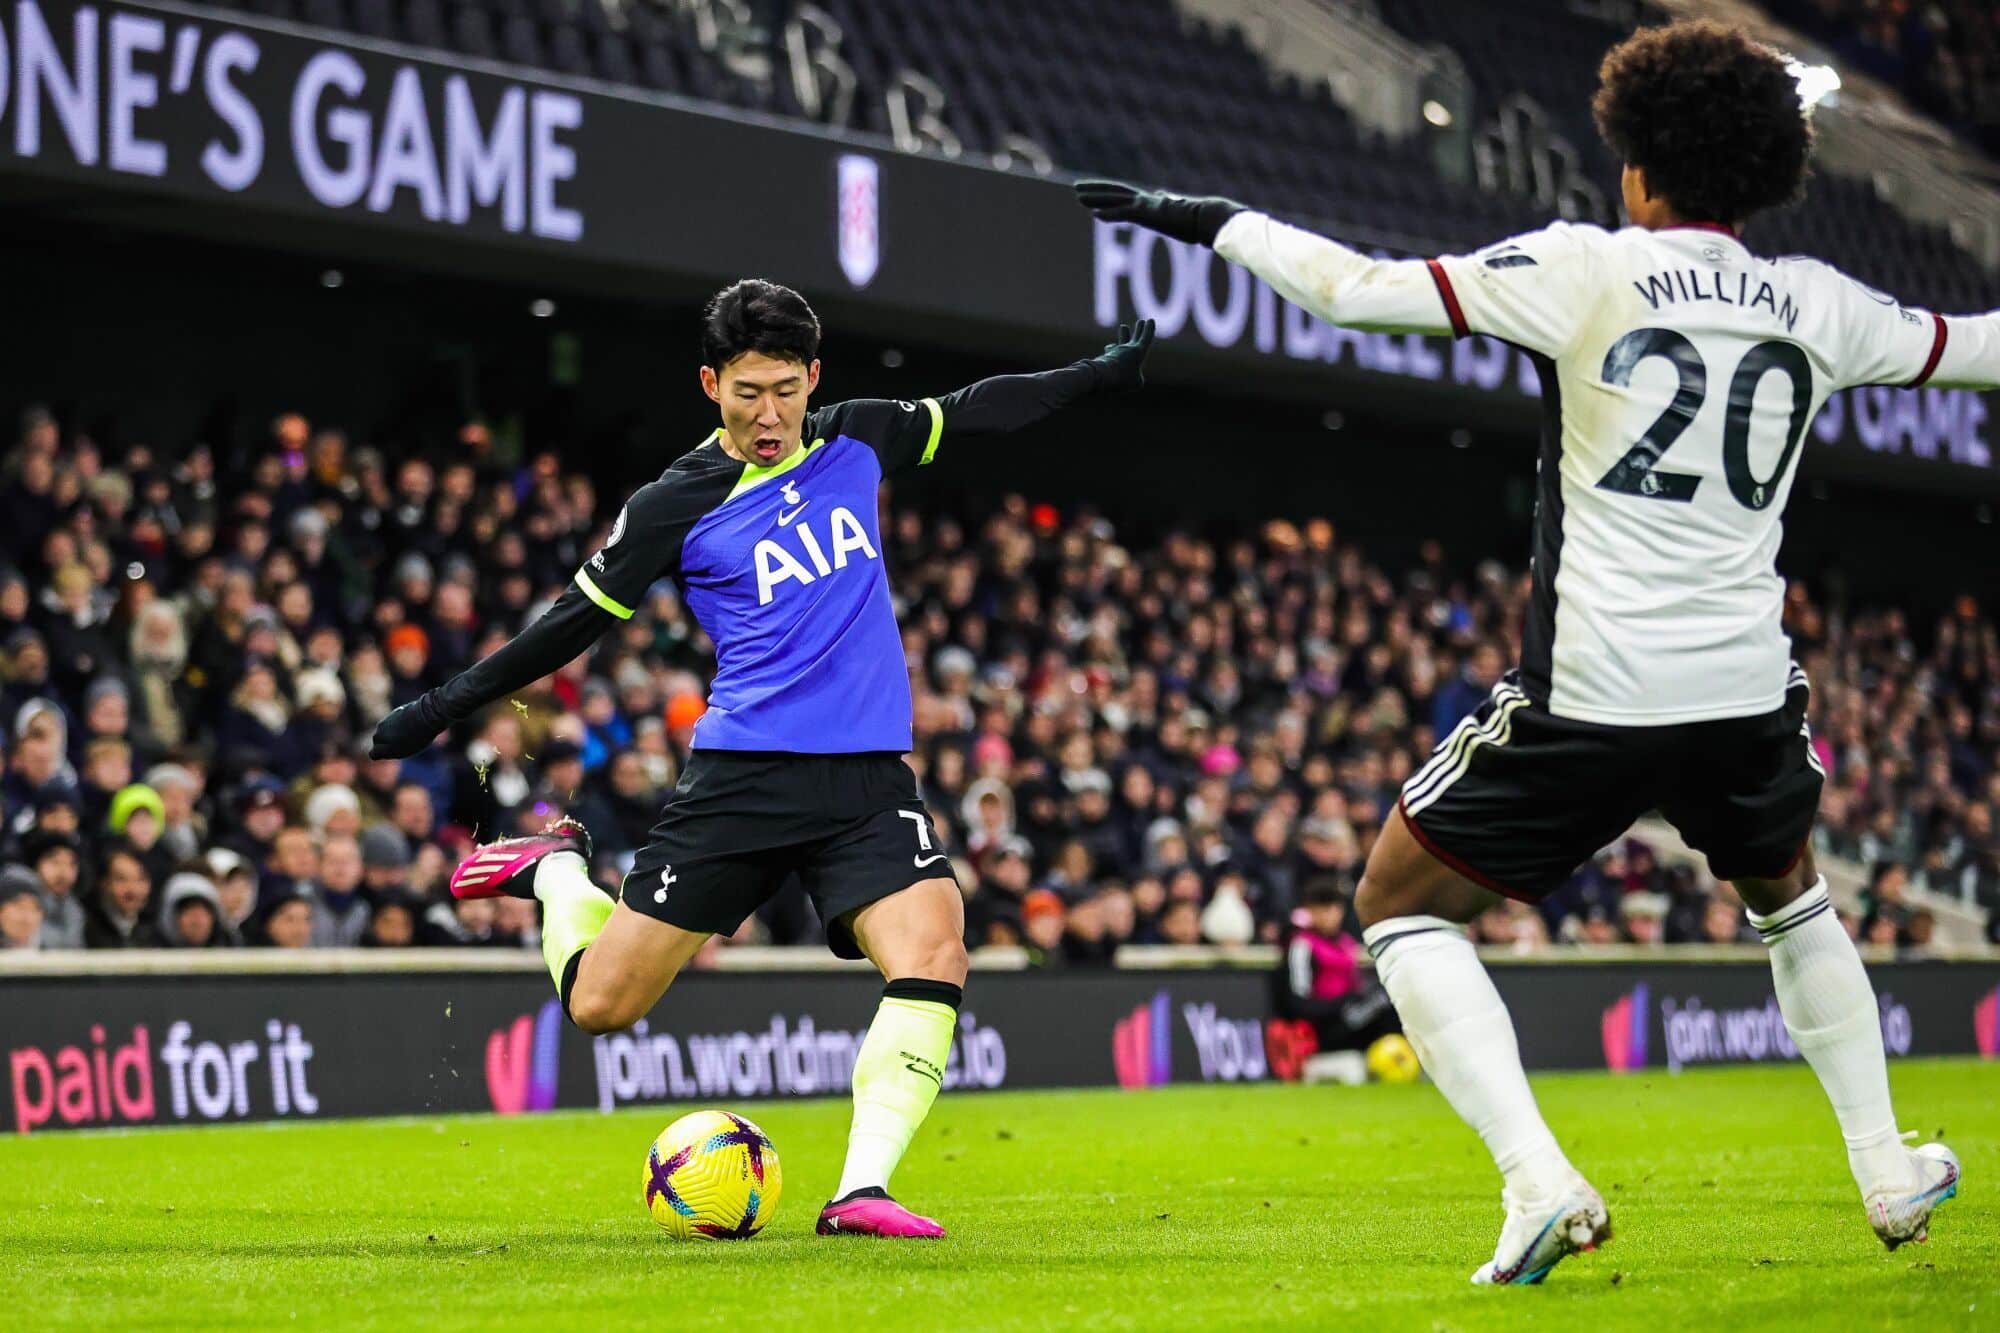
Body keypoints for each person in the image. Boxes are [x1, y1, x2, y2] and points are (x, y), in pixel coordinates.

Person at [1079, 18, 1990, 1282]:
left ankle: (1537, 1181)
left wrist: (1209, 217)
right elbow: (1981, 347)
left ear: (1636, 165)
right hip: (1740, 694)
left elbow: (1352, 290)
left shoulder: (1585, 269)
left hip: (1596, 692)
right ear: (1766, 169)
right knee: (1789, 894)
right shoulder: (1818, 304)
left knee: (1395, 905)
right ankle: (1886, 1170)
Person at [370, 279, 1154, 1239]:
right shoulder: (674, 502)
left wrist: (1095, 374)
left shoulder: (857, 436)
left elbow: (982, 406)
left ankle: (860, 1190)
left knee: (937, 946)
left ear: (812, 377)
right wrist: (441, 707)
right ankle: (558, 870)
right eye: (747, 392)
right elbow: (568, 625)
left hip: (867, 777)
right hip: (744, 778)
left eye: (785, 388)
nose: (769, 413)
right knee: (601, 1006)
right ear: (710, 383)